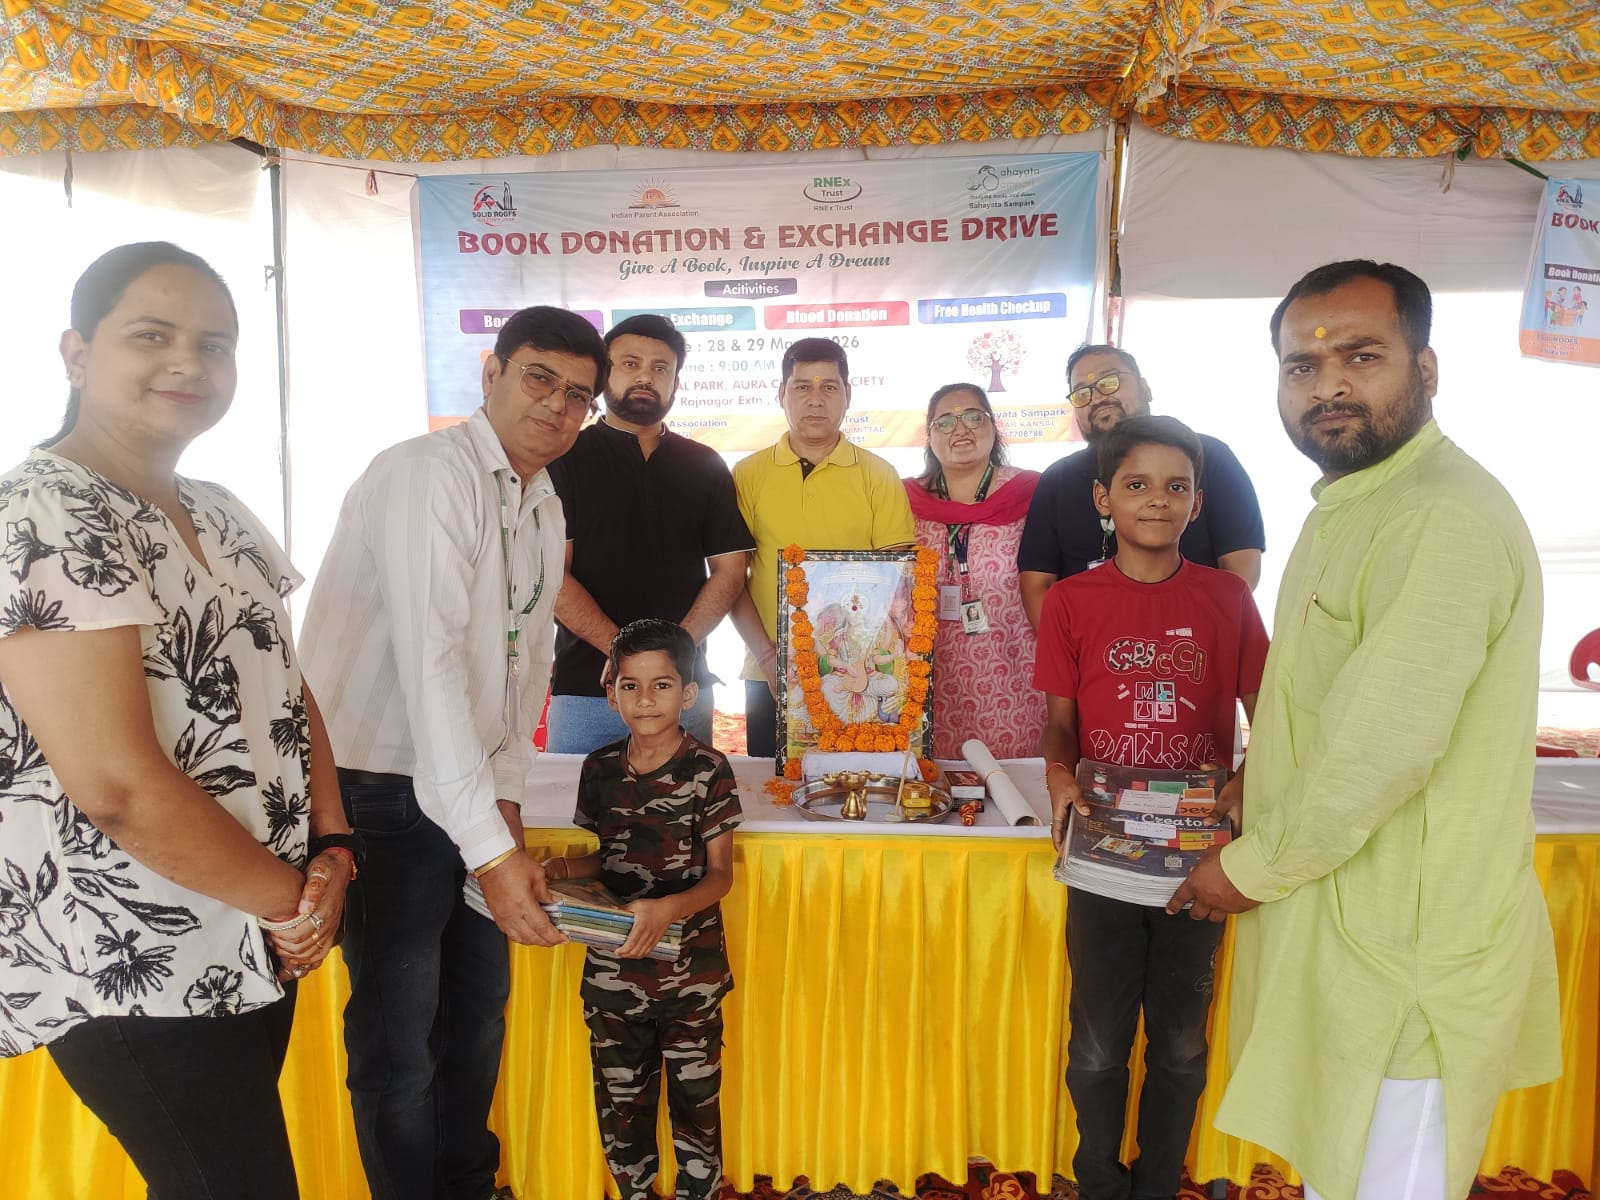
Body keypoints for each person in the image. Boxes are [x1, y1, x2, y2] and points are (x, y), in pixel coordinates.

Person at [1169, 260, 1561, 1200]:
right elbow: (1331, 703)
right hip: (1352, 934)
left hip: (1407, 955)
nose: (1329, 385)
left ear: (1426, 369)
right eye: (1302, 366)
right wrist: (1259, 780)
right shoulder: (1355, 503)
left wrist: (1249, 868)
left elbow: (1380, 748)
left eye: (1361, 355)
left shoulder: (1439, 517)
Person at [0, 242, 354, 1199]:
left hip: (256, 928)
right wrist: (295, 900)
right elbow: (116, 787)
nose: (188, 363)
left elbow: (288, 692)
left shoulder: (221, 510)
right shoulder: (45, 513)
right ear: (76, 352)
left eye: (215, 344)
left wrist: (334, 844)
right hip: (134, 947)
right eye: (151, 336)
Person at [299, 305, 609, 1200]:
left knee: (475, 1019)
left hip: (465, 788)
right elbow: (431, 667)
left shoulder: (542, 503)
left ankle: (468, 1185)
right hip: (382, 789)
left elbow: (523, 667)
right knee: (400, 1041)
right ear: (492, 372)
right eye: (540, 377)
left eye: (577, 395)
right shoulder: (427, 474)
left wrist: (502, 810)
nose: (557, 405)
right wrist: (493, 851)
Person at [1036, 414, 1268, 1200]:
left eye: (1176, 487)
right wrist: (1059, 775)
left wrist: (1248, 779)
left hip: (1197, 862)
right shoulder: (1071, 601)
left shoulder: (1228, 598)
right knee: (1098, 1045)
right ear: (1104, 498)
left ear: (1197, 503)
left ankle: (1160, 1182)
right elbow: (1060, 724)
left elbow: (1269, 717)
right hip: (1102, 854)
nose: (1157, 501)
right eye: (1137, 485)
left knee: (1179, 1045)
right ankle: (1099, 1182)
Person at [542, 619, 741, 1200]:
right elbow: (608, 858)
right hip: (615, 971)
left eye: (661, 685)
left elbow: (721, 875)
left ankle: (699, 1191)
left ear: (689, 693)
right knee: (621, 1104)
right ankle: (635, 1190)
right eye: (630, 685)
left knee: (696, 1105)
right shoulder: (599, 768)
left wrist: (668, 909)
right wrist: (561, 871)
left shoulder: (708, 769)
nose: (645, 699)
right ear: (611, 694)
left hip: (691, 974)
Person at [546, 314, 752, 753]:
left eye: (661, 368)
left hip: (684, 691)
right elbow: (551, 576)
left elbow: (731, 572)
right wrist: (623, 653)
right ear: (603, 376)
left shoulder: (704, 465)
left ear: (676, 384)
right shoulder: (565, 460)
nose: (646, 376)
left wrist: (673, 654)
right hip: (587, 692)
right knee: (574, 800)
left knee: (689, 800)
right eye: (630, 363)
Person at [730, 337, 914, 757]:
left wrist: (869, 667)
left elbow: (898, 590)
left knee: (858, 784)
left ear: (848, 394)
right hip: (768, 672)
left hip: (857, 674)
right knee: (773, 789)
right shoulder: (747, 474)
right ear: (781, 393)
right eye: (802, 387)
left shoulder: (878, 475)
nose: (815, 400)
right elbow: (730, 579)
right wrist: (769, 659)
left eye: (829, 387)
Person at [1018, 344, 1266, 631]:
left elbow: (1240, 568)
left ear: (1145, 388)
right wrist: (1070, 649)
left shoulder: (1207, 457)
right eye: (1082, 392)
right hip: (1089, 650)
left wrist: (1189, 642)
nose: (1097, 397)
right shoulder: (1057, 480)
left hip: (1192, 645)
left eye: (1109, 381)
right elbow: (1037, 585)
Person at [904, 382, 1044, 757]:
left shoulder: (1033, 492)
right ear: (929, 435)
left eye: (972, 417)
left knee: (1017, 785)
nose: (960, 429)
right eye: (945, 421)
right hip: (931, 679)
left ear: (992, 425)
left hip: (1015, 677)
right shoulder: (903, 501)